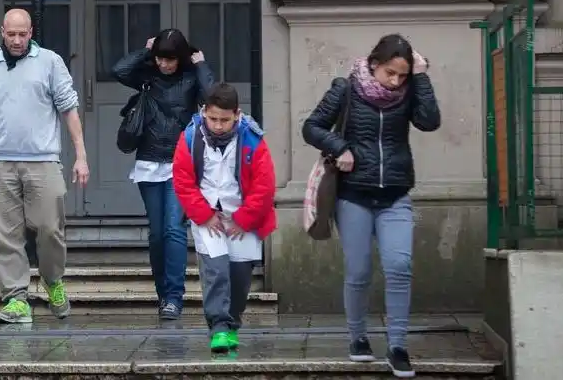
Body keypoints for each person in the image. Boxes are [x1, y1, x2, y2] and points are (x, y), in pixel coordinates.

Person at [301, 34, 440, 378]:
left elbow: (429, 121)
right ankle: (358, 337)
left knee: (399, 267)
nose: (395, 81)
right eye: (391, 73)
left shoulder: (409, 91)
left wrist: (421, 77)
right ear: (374, 64)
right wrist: (340, 147)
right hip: (354, 195)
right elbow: (312, 126)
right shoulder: (345, 88)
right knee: (359, 270)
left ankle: (397, 347)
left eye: (402, 75)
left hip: (394, 193)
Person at [0, 9, 89, 324]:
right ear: (1, 32)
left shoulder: (50, 61)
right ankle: (16, 298)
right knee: (4, 235)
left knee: (50, 228)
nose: (18, 40)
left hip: (43, 159)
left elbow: (69, 110)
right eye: (12, 34)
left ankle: (52, 279)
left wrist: (81, 155)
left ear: (31, 31)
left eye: (23, 34)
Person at [110, 29, 215, 319]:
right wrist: (145, 53)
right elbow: (118, 71)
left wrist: (202, 64)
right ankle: (163, 294)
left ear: (180, 57)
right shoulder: (148, 74)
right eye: (159, 59)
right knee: (157, 234)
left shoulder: (192, 77)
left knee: (173, 229)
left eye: (169, 59)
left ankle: (174, 297)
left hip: (180, 163)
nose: (164, 65)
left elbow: (212, 98)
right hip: (149, 161)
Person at [172, 83, 276, 353]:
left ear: (237, 115)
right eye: (213, 118)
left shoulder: (253, 139)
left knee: (240, 276)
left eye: (225, 120)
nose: (218, 125)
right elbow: (183, 181)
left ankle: (232, 323)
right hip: (208, 215)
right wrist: (203, 215)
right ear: (204, 111)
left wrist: (244, 219)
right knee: (215, 269)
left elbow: (264, 185)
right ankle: (218, 326)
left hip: (243, 217)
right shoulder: (190, 137)